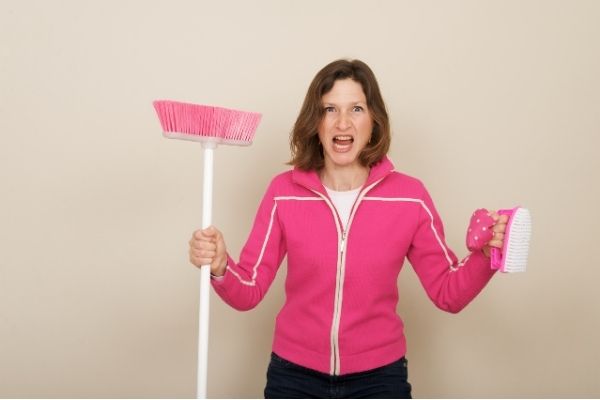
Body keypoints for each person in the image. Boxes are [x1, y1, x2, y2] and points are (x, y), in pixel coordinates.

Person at [188, 59, 507, 399]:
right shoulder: (283, 193)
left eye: (356, 108)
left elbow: (449, 292)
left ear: (374, 121)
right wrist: (221, 267)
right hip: (294, 377)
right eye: (330, 109)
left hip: (380, 379)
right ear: (316, 122)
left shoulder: (410, 198)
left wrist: (486, 256)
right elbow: (249, 290)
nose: (343, 122)